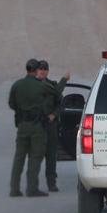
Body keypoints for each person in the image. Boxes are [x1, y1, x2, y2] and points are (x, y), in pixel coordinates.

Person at [7, 58, 49, 197]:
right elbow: (49, 104)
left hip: (22, 125)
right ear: (37, 70)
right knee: (35, 157)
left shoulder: (17, 85)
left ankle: (14, 188)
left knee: (19, 156)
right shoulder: (41, 86)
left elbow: (11, 104)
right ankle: (31, 188)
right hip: (37, 126)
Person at [36, 59, 70, 192]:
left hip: (50, 125)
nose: (43, 71)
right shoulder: (32, 85)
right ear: (36, 71)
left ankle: (51, 183)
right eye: (40, 69)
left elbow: (60, 103)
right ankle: (33, 183)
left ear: (48, 71)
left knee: (51, 155)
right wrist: (64, 80)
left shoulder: (52, 85)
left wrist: (54, 115)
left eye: (45, 69)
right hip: (36, 126)